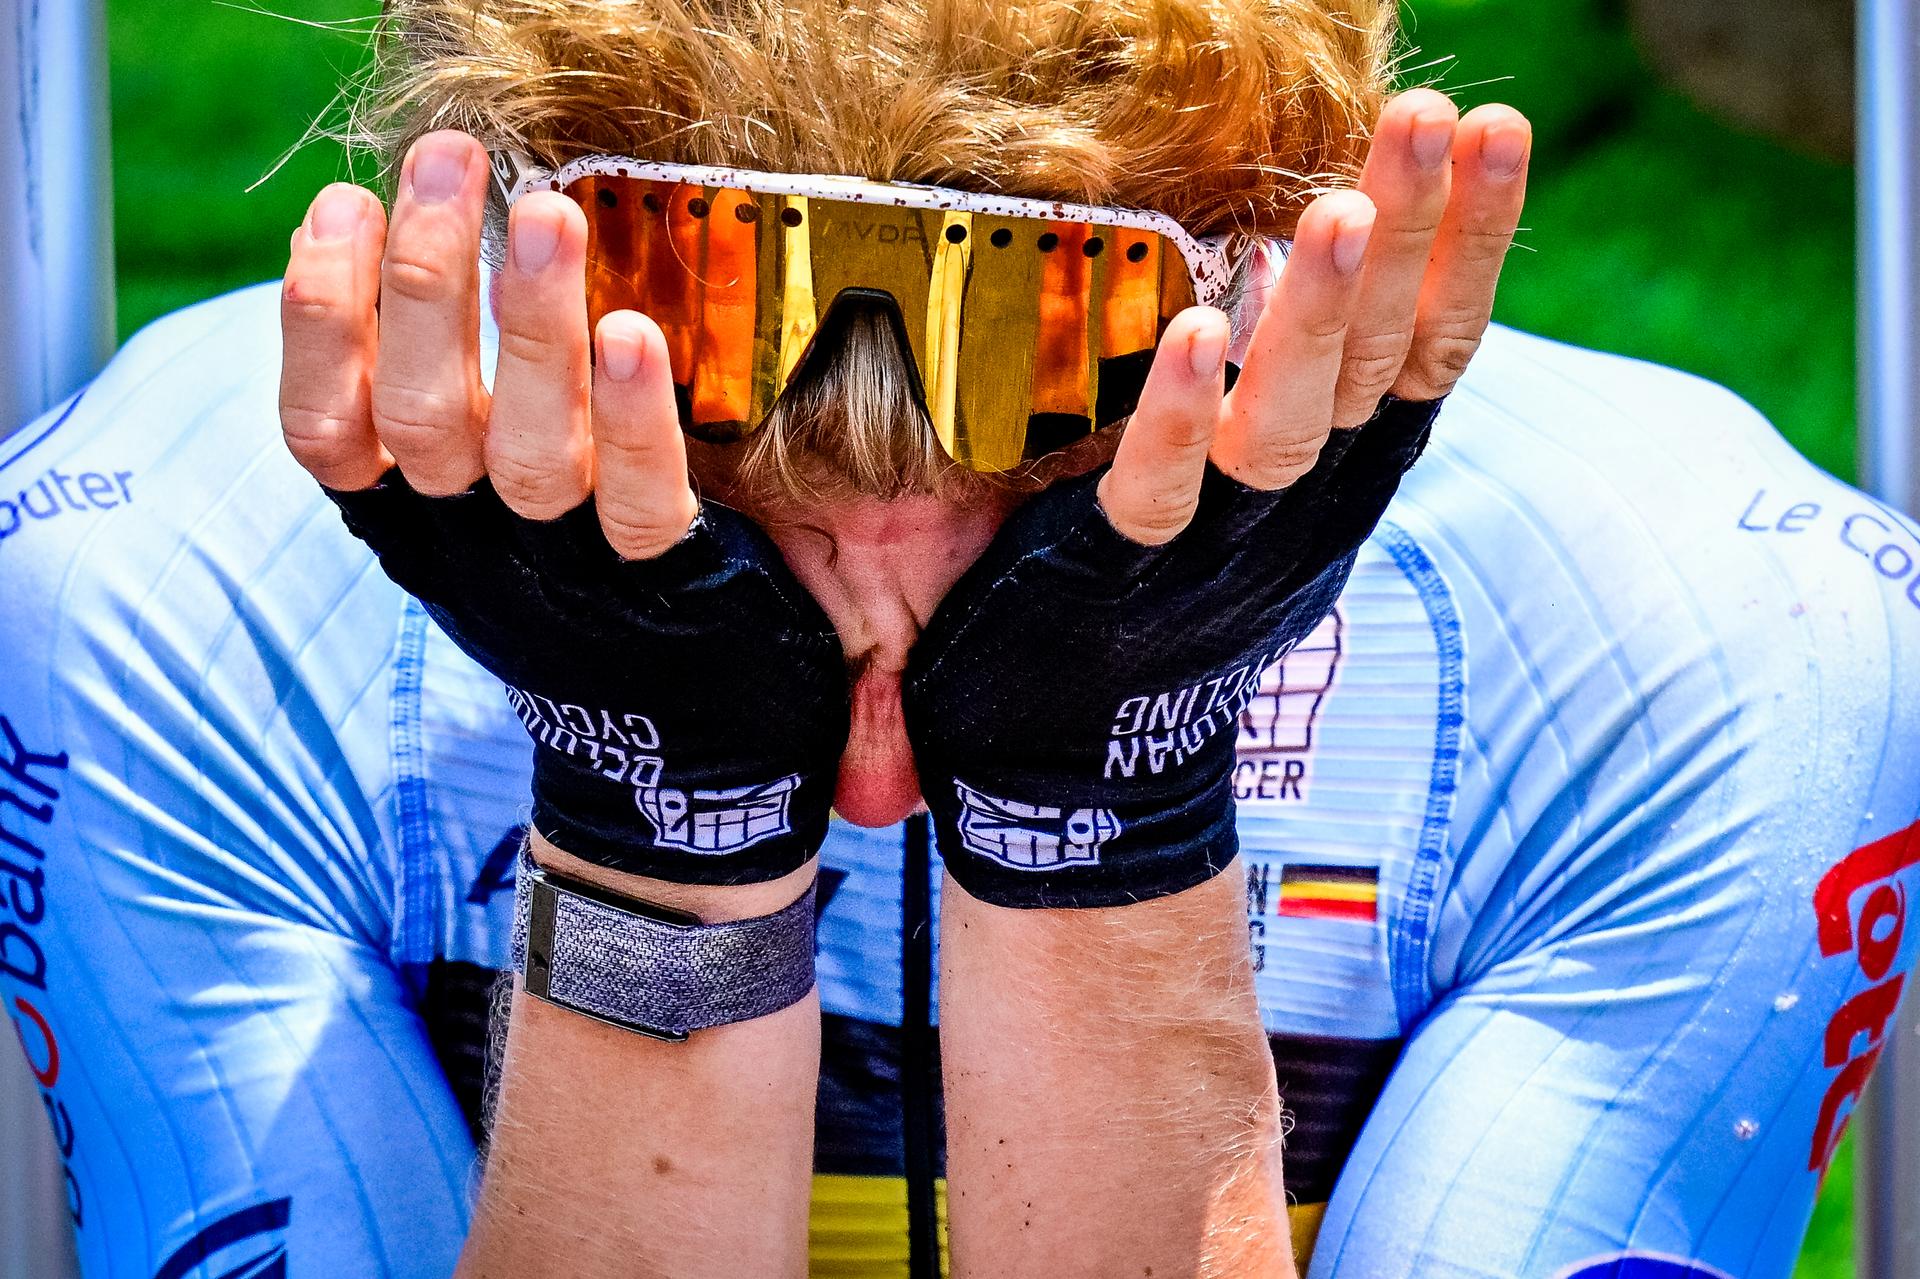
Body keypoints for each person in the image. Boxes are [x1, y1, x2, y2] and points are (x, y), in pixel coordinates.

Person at [1, 2, 1915, 1277]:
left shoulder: (1725, 654)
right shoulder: (154, 603)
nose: (877, 779)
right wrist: (657, 836)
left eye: (1027, 564)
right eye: (751, 568)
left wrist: (1116, 815)